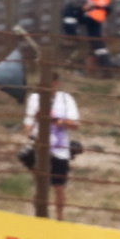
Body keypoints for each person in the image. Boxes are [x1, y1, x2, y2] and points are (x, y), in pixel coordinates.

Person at [21, 71, 80, 220]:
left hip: (59, 147)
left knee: (59, 187)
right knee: (41, 184)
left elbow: (75, 124)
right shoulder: (34, 99)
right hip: (40, 146)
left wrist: (58, 121)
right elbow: (27, 126)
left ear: (55, 83)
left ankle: (59, 218)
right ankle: (40, 215)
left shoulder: (66, 99)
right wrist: (34, 124)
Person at [78, 0, 112, 72]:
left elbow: (105, 0)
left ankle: (105, 64)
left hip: (96, 15)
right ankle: (103, 63)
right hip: (90, 13)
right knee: (95, 40)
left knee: (96, 39)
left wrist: (93, 4)